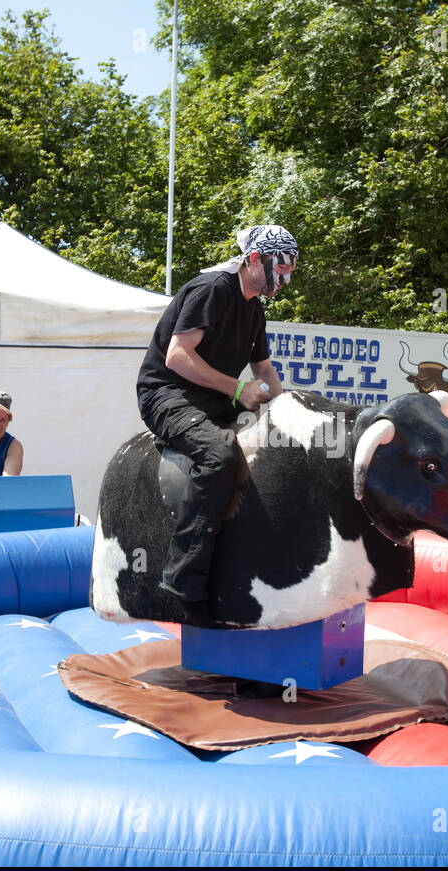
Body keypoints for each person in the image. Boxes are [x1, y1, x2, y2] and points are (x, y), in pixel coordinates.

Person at [137, 224, 298, 626]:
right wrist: (239, 389)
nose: (286, 279)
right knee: (220, 454)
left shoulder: (254, 308)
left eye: (292, 271)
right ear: (255, 259)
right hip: (166, 394)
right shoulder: (212, 289)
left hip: (212, 399)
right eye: (281, 269)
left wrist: (286, 414)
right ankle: (182, 576)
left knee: (272, 445)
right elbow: (177, 357)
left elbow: (263, 367)